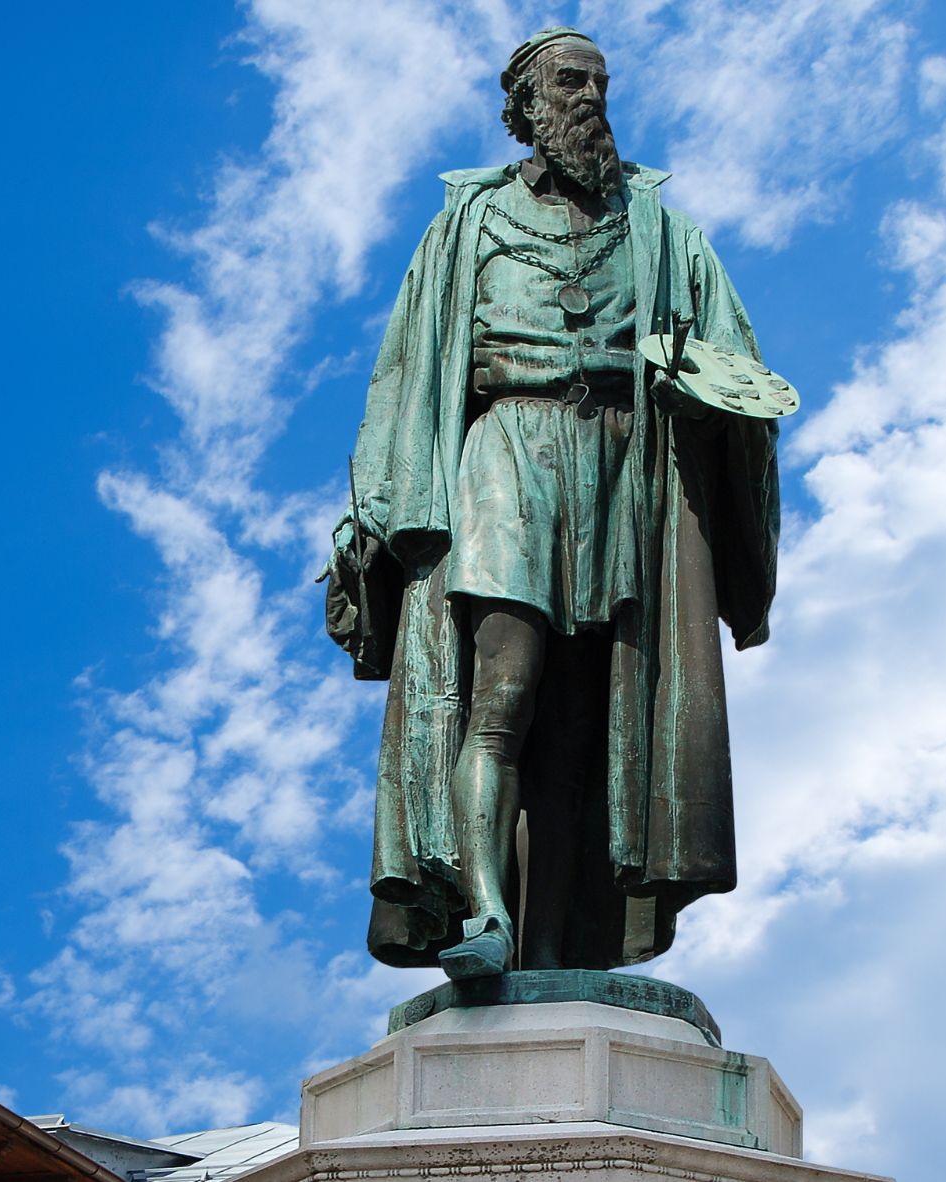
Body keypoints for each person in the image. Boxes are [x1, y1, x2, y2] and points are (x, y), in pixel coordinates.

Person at [325, 26, 780, 980]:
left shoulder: (660, 228)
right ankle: (484, 914)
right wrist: (377, 508)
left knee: (583, 730)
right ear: (526, 106)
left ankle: (544, 950)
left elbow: (737, 365)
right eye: (569, 83)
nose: (589, 100)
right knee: (504, 692)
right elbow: (407, 372)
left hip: (621, 468)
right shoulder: (470, 223)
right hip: (506, 453)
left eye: (600, 84)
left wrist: (710, 393)